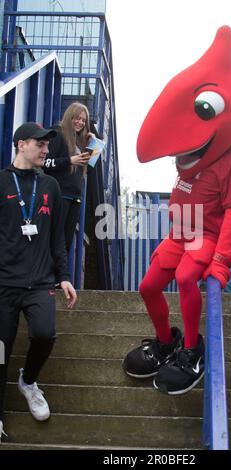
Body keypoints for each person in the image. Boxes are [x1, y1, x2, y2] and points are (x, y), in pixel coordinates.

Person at [123, 26, 231, 396]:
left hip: (205, 236)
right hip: (180, 233)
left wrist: (223, 259)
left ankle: (192, 351)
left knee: (184, 279)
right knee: (148, 286)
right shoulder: (189, 161)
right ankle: (167, 342)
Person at [0, 122, 77, 442]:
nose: (46, 149)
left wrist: (64, 277)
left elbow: (57, 235)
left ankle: (28, 381)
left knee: (44, 334)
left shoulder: (50, 186)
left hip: (40, 280)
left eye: (48, 145)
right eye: (40, 144)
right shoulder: (1, 181)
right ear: (20, 145)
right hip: (4, 282)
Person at [43, 102, 94, 251]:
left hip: (75, 197)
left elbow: (88, 169)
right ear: (69, 116)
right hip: (60, 195)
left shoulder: (80, 141)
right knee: (54, 241)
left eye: (84, 121)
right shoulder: (57, 133)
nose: (80, 123)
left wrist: (93, 145)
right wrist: (69, 160)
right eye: (77, 118)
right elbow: (45, 162)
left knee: (65, 244)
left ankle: (59, 273)